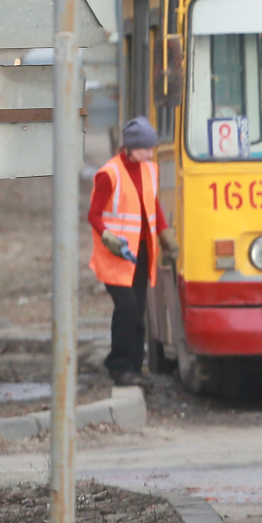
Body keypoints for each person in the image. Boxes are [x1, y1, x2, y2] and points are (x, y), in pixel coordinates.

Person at [88, 117, 174, 384]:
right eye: (146, 148)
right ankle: (119, 366)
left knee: (137, 311)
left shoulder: (150, 169)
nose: (151, 153)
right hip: (115, 256)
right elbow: (93, 214)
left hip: (142, 252)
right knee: (127, 307)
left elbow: (153, 204)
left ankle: (134, 369)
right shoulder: (109, 174)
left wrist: (165, 235)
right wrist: (108, 237)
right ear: (131, 147)